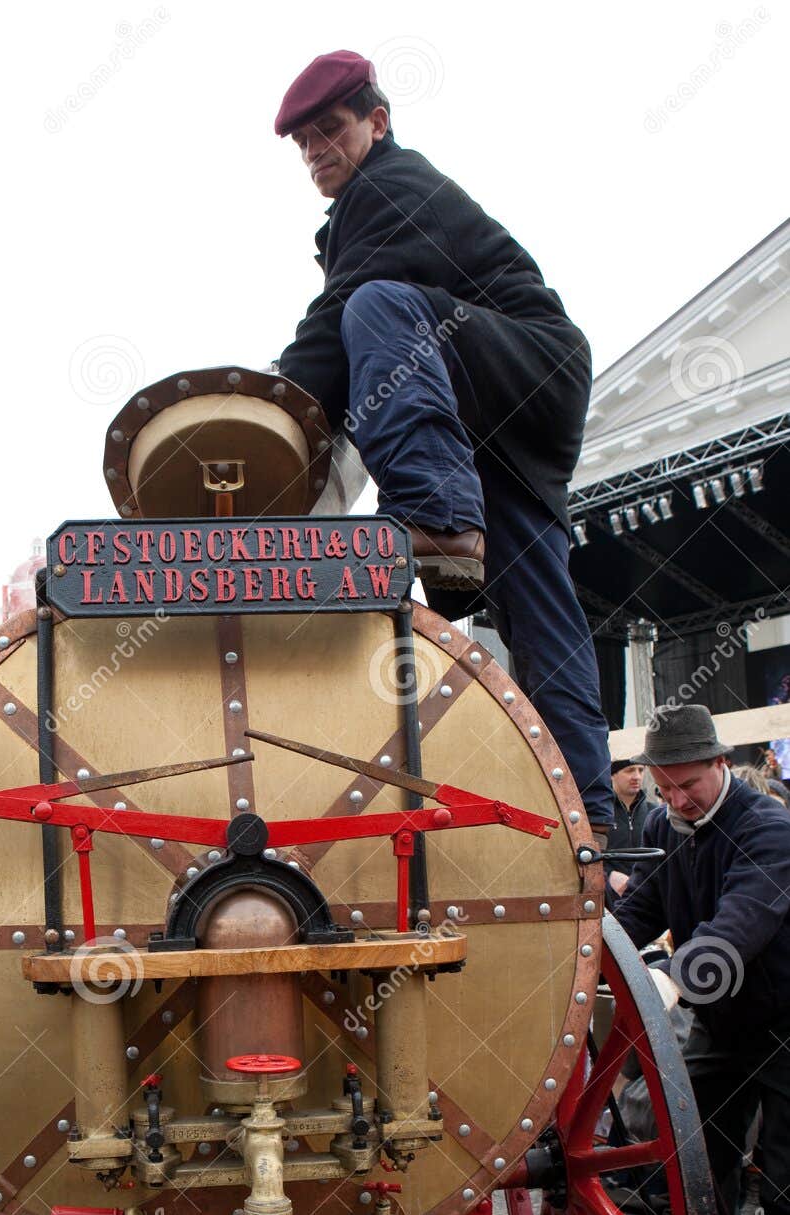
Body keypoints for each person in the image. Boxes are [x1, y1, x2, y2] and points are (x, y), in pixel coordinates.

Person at [273, 49, 612, 835]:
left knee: (375, 311)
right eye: (305, 144)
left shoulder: (390, 185)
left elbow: (330, 337)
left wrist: (263, 407)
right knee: (542, 618)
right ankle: (595, 825)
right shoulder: (365, 206)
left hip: (521, 369)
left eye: (332, 131)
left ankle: (434, 517)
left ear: (377, 122)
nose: (319, 151)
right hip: (494, 422)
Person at [613, 706, 790, 1215]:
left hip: (783, 1025)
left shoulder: (768, 829)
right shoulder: (667, 825)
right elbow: (647, 904)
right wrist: (598, 952)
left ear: (719, 764)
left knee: (783, 1185)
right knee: (690, 1156)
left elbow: (737, 923)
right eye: (662, 787)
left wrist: (664, 978)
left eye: (686, 784)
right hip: (720, 1027)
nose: (674, 799)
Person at [605, 759, 655, 907]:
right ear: (612, 774)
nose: (637, 776)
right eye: (629, 770)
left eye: (641, 770)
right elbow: (586, 855)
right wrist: (608, 875)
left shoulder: (654, 813)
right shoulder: (600, 816)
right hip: (609, 900)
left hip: (646, 900)